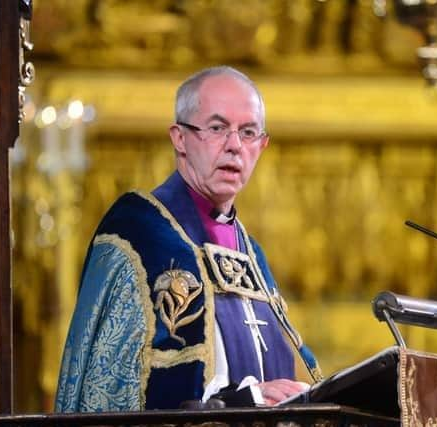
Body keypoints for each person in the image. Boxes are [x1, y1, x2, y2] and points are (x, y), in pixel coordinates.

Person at [55, 66, 322, 412]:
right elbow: (115, 386)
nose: (235, 146)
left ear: (263, 145)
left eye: (248, 132)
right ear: (179, 138)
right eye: (217, 128)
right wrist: (247, 400)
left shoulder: (249, 252)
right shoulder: (137, 232)